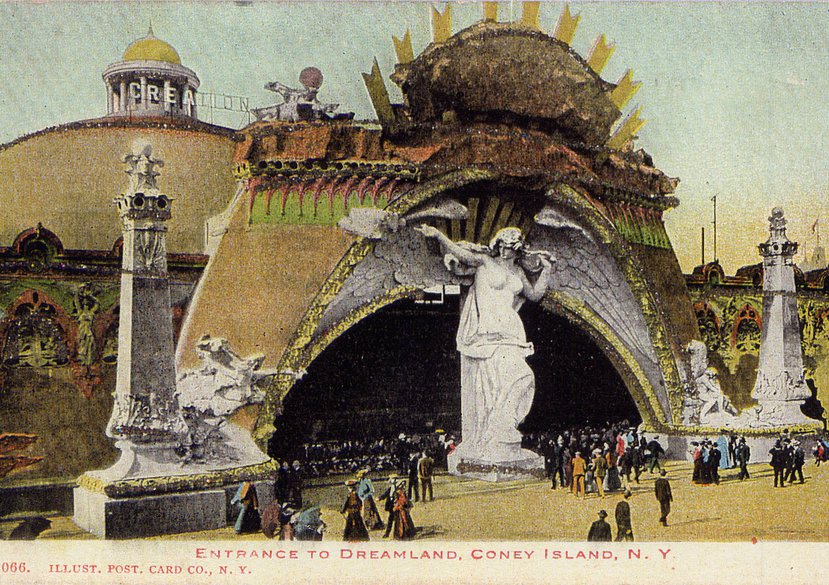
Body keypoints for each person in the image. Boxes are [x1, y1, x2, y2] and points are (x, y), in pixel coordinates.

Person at [417, 225, 553, 462]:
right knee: (500, 383)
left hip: (511, 332)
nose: (504, 251)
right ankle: (496, 433)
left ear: (516, 249)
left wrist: (547, 269)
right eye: (501, 245)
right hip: (488, 334)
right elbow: (462, 256)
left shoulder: (519, 273)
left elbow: (535, 294)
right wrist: (439, 236)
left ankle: (504, 428)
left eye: (509, 248)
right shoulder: (483, 263)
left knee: (522, 378)